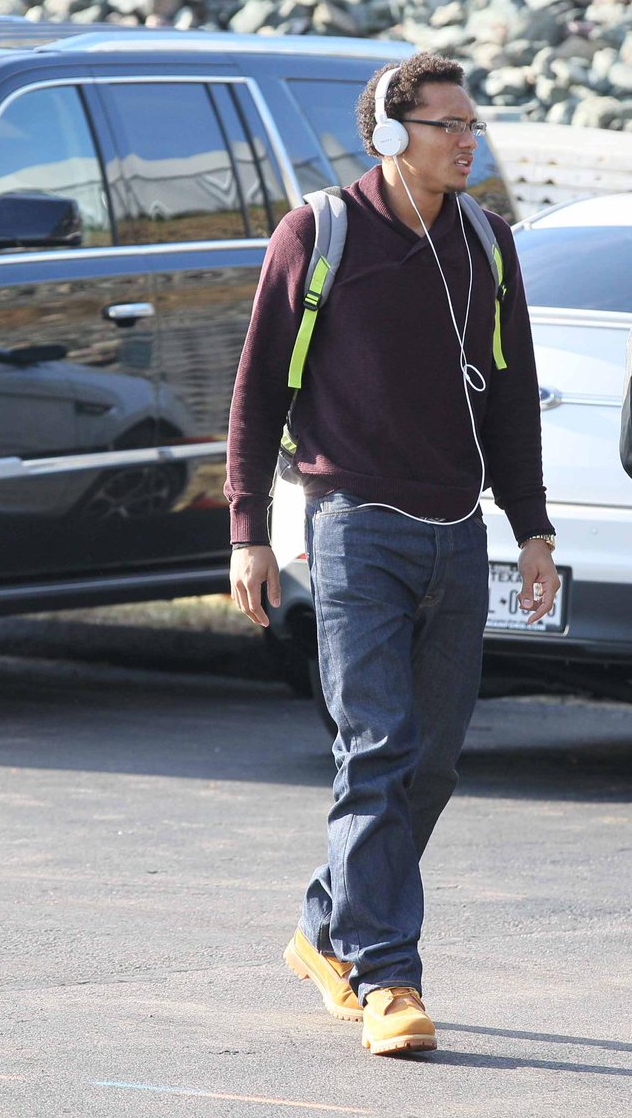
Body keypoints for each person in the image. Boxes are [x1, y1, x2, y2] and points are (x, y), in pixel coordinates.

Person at [224, 52, 560, 1056]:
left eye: (472, 126)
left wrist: (530, 528)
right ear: (386, 134)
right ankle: (387, 979)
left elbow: (507, 401)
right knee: (374, 746)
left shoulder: (488, 246)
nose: (468, 140)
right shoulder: (318, 234)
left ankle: (325, 927)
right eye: (447, 124)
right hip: (350, 525)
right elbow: (255, 396)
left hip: (454, 533)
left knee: (434, 762)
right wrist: (247, 532)